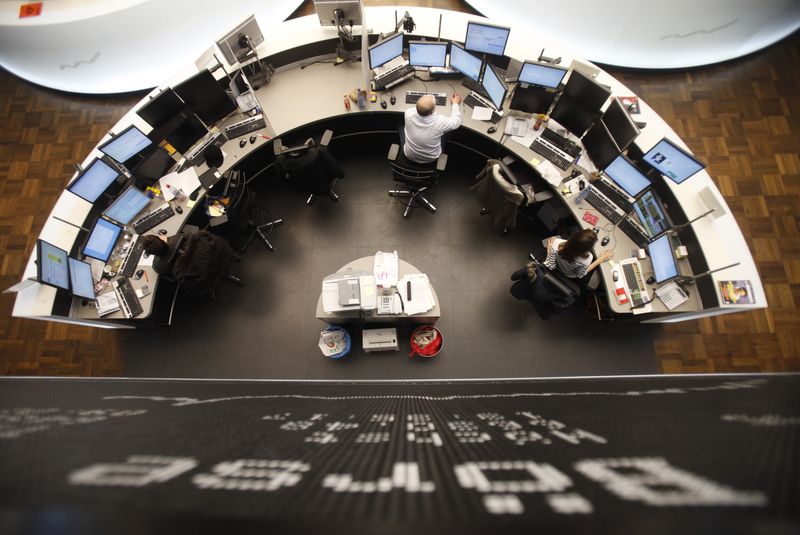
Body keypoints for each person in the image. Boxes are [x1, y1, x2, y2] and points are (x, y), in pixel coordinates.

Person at [140, 230, 242, 299]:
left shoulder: (159, 267)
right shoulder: (182, 237)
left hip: (204, 280)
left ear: (152, 254)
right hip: (220, 257)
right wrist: (168, 239)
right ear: (161, 239)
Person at [401, 92, 462, 164]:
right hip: (431, 159)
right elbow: (457, 122)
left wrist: (424, 105)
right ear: (433, 110)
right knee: (446, 132)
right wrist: (455, 104)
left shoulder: (408, 113)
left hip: (409, 155)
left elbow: (420, 109)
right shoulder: (440, 122)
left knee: (400, 125)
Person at [544, 229, 613, 280]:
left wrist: (549, 249)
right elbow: (580, 274)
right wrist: (600, 259)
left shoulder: (556, 243)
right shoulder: (588, 259)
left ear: (574, 235)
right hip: (569, 275)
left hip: (556, 266)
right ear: (588, 249)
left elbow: (550, 265)